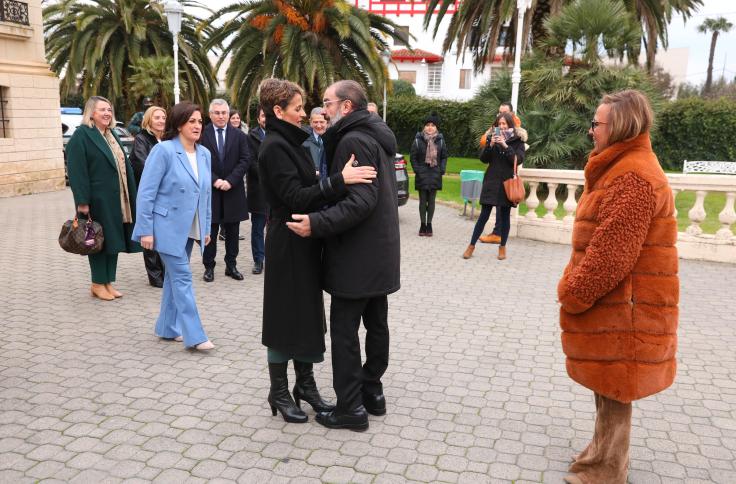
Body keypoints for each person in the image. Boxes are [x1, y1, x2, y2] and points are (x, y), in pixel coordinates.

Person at [557, 90, 678, 484]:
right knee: (608, 387)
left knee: (616, 389)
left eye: (597, 124)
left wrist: (573, 292)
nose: (591, 131)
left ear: (620, 126)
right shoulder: (623, 166)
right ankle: (599, 454)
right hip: (622, 305)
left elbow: (612, 255)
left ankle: (606, 471)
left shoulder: (632, 176)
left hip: (627, 309)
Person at [257, 78, 377, 424]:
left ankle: (305, 385)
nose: (304, 114)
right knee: (284, 316)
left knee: (308, 315)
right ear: (277, 111)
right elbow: (295, 197)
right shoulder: (274, 146)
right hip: (287, 240)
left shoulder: (295, 141)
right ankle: (278, 390)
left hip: (306, 237)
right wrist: (340, 180)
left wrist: (331, 183)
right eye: (297, 109)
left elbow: (309, 188)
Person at [287, 80, 400, 432]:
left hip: (355, 255)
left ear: (346, 107)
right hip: (378, 253)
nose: (322, 110)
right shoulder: (375, 135)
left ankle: (351, 407)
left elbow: (360, 201)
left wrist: (316, 223)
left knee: (346, 333)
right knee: (376, 325)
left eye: (327, 103)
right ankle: (372, 392)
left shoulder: (351, 139)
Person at [132, 101, 215, 351]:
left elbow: (206, 195)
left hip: (190, 228)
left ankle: (167, 327)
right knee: (182, 277)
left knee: (173, 278)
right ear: (179, 124)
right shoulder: (164, 151)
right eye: (192, 121)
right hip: (166, 226)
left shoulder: (204, 154)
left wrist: (207, 228)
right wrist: (145, 229)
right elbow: (146, 192)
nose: (197, 126)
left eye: (200, 121)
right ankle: (195, 335)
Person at [67, 96, 141, 301]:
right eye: (102, 110)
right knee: (96, 240)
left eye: (109, 109)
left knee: (113, 240)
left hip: (117, 198)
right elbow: (76, 171)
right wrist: (82, 201)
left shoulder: (110, 134)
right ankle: (97, 283)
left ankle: (108, 282)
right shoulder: (82, 136)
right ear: (91, 113)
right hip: (96, 200)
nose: (107, 113)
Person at [200, 99, 252, 282]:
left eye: (224, 113)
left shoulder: (239, 135)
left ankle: (231, 265)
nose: (221, 116)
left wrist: (230, 181)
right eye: (217, 113)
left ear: (228, 114)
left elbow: (245, 160)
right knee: (210, 232)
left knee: (232, 232)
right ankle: (209, 267)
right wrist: (214, 180)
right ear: (210, 114)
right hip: (211, 192)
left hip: (233, 191)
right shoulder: (202, 134)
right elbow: (199, 161)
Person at [462, 112, 525, 261]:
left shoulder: (518, 141)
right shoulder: (492, 138)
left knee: (504, 217)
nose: (502, 126)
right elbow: (484, 159)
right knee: (483, 216)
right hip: (491, 182)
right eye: (499, 124)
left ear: (510, 125)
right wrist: (490, 146)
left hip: (506, 183)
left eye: (504, 124)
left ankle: (502, 247)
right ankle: (471, 246)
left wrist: (505, 145)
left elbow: (518, 160)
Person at [479, 101, 528, 244]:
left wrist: (506, 145)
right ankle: (496, 232)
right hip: (495, 173)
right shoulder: (496, 128)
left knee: (503, 206)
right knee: (493, 205)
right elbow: (483, 147)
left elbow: (518, 155)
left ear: (511, 114)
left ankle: (499, 234)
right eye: (499, 112)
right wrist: (490, 142)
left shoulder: (517, 132)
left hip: (508, 172)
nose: (501, 115)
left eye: (505, 112)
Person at [130, 105, 167, 288]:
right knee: (150, 235)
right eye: (157, 117)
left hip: (166, 197)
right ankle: (155, 276)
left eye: (163, 117)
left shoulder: (167, 139)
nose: (160, 120)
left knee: (164, 235)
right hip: (150, 195)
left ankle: (166, 271)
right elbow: (142, 165)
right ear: (148, 120)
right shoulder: (142, 139)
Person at [409, 112, 448, 237]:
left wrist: (441, 169)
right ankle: (422, 224)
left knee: (431, 201)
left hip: (435, 174)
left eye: (432, 125)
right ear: (424, 127)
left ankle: (429, 224)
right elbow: (413, 157)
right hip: (422, 174)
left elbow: (444, 157)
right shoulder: (417, 140)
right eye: (427, 125)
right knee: (422, 201)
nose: (430, 127)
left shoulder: (440, 141)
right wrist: (417, 170)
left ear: (436, 127)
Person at [246, 107, 268, 275]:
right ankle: (258, 260)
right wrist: (269, 175)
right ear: (258, 118)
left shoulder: (279, 134)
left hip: (278, 191)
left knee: (275, 228)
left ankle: (273, 259)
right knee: (258, 228)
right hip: (259, 190)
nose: (265, 118)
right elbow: (250, 161)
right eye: (263, 115)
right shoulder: (251, 137)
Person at [302, 107, 328, 173]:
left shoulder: (334, 138)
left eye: (321, 122)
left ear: (327, 122)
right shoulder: (302, 139)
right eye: (315, 122)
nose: (319, 126)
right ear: (310, 122)